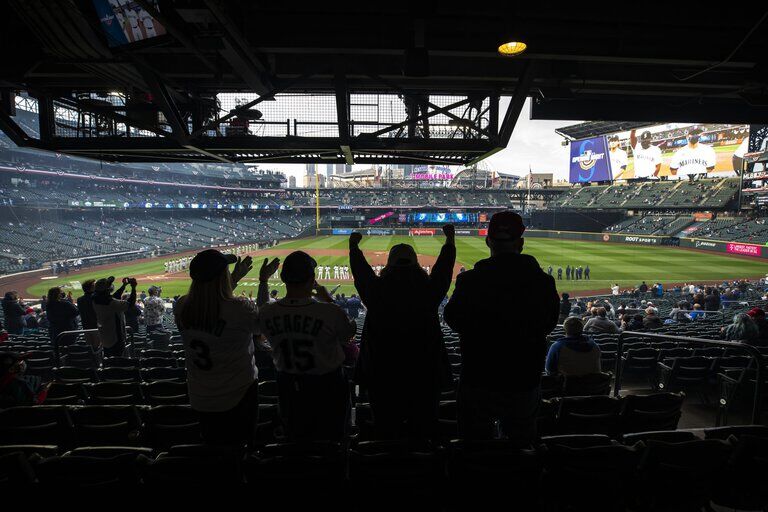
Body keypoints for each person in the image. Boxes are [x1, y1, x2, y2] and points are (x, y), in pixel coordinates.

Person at [444, 212, 559, 443]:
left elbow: (452, 319)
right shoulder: (543, 282)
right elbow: (549, 324)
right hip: (523, 377)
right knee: (522, 442)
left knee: (474, 444)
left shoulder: (470, 280)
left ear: (488, 241)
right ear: (522, 243)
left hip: (478, 376)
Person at [350, 225, 456, 440]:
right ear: (416, 263)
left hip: (383, 372)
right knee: (424, 428)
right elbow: (444, 269)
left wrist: (354, 248)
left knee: (386, 428)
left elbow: (361, 272)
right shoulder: (430, 289)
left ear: (389, 263)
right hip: (425, 371)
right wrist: (450, 240)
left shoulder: (375, 290)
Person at [174, 249, 277, 447]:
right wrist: (263, 281)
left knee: (212, 448)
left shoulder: (182, 306)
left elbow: (211, 303)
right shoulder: (239, 308)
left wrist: (236, 277)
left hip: (200, 395)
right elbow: (263, 324)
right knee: (241, 449)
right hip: (238, 395)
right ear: (222, 277)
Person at [259, 251, 356, 441]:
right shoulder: (329, 311)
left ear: (283, 278)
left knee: (295, 438)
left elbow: (260, 312)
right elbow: (348, 333)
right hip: (327, 388)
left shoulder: (268, 312)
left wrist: (263, 281)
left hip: (288, 386)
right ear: (313, 279)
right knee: (333, 439)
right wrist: (328, 299)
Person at [93, 276, 137, 357]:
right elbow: (130, 303)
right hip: (115, 337)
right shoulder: (111, 303)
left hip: (104, 335)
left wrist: (123, 286)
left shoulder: (95, 299)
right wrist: (133, 287)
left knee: (108, 357)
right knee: (117, 359)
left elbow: (113, 297)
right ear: (106, 290)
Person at [76, 280, 101, 350]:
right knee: (97, 348)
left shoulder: (80, 299)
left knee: (90, 348)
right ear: (91, 288)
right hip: (96, 326)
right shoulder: (96, 297)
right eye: (94, 285)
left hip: (86, 327)